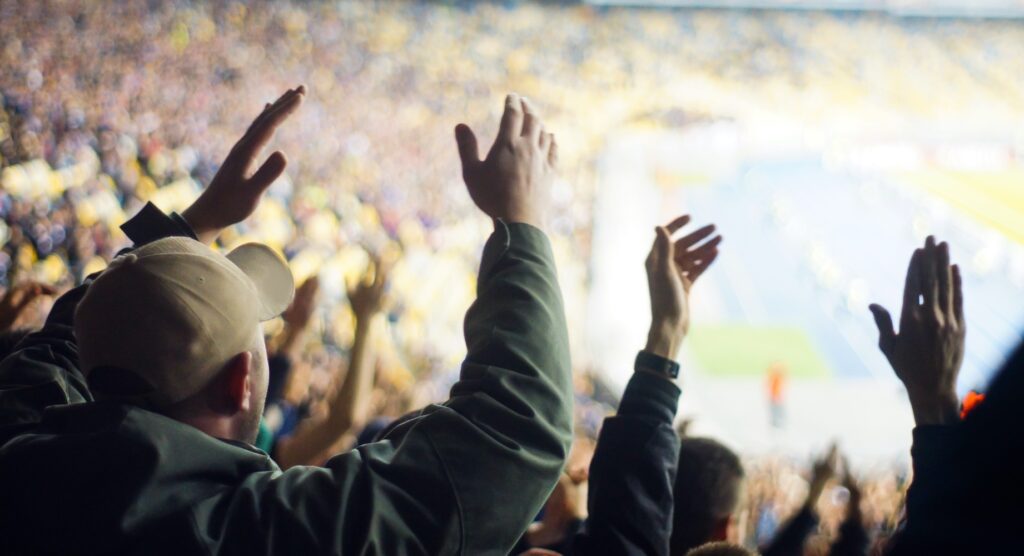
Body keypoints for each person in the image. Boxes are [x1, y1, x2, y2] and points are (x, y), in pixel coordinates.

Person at [0, 89, 574, 555]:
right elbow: (512, 432)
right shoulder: (246, 533)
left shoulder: (20, 437)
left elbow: (58, 344)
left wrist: (192, 227)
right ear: (240, 381)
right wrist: (522, 223)